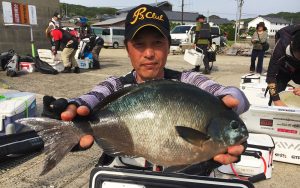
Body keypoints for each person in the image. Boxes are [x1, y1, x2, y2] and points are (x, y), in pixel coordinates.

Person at [44, 4, 249, 175]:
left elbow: (229, 94)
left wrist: (232, 99)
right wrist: (71, 110)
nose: (149, 53)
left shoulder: (188, 81)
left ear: (168, 45)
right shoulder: (116, 85)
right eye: (139, 44)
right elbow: (92, 98)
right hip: (127, 175)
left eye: (157, 43)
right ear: (127, 48)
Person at [266, 24, 300, 106]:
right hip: (285, 68)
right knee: (275, 94)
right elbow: (271, 75)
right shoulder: (281, 46)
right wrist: (276, 100)